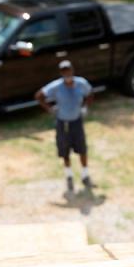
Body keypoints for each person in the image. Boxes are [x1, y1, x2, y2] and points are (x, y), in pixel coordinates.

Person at [36, 60, 94, 192]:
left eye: (68, 70)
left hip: (77, 121)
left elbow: (90, 94)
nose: (67, 73)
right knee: (64, 148)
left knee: (82, 148)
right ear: (61, 73)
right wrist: (49, 109)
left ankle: (85, 174)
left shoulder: (81, 83)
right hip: (63, 123)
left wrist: (85, 107)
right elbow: (39, 96)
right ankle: (69, 173)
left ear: (72, 70)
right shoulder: (56, 86)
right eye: (64, 71)